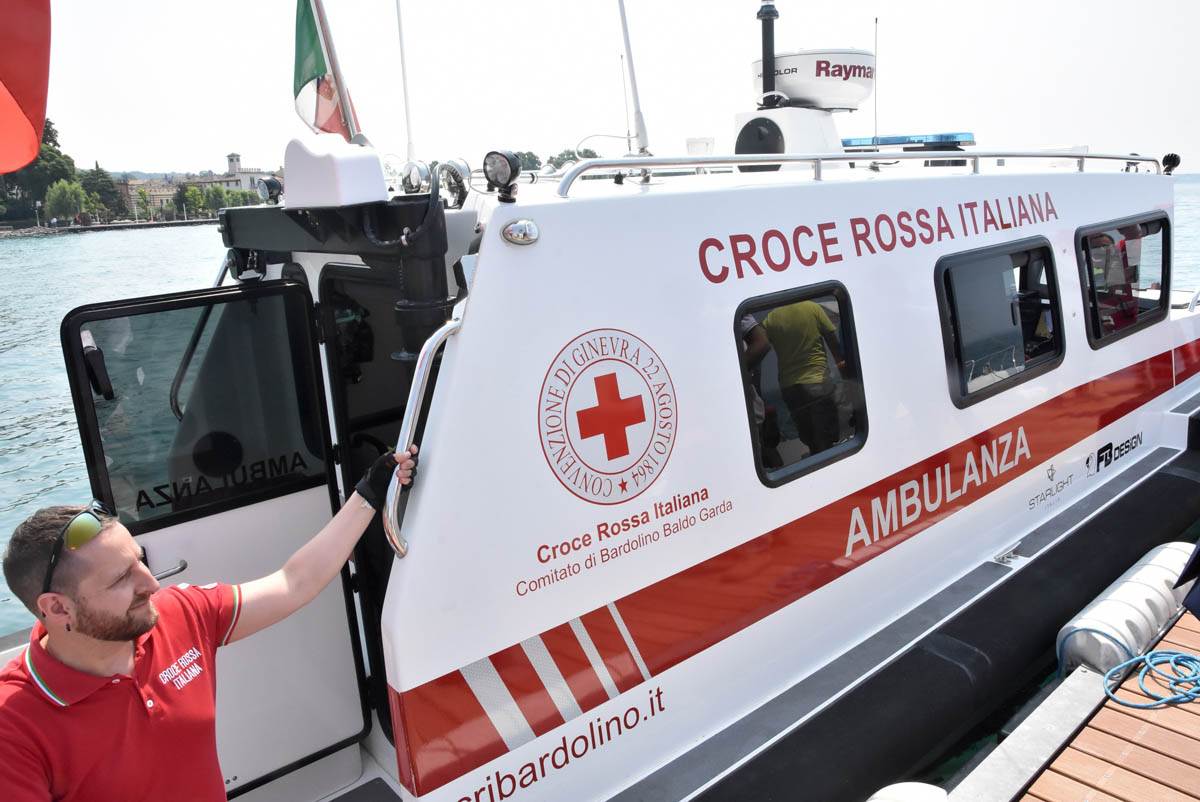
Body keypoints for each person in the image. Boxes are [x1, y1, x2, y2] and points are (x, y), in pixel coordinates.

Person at [0, 446, 418, 801]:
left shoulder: (178, 613)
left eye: (139, 562)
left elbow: (294, 583)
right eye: (120, 579)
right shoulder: (14, 725)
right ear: (56, 609)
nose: (150, 583)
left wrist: (369, 493)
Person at [762, 300, 846, 456]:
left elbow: (761, 344)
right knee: (826, 434)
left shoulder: (770, 318)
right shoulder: (812, 307)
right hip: (817, 382)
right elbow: (834, 346)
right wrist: (846, 378)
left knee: (809, 436)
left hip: (789, 388)